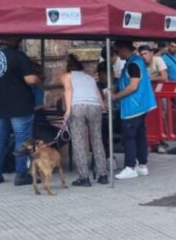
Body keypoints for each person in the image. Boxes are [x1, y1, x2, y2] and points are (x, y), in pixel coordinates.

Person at [0, 37, 39, 186]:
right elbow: (30, 79)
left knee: (0, 138)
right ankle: (21, 175)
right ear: (15, 40)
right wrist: (39, 80)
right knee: (22, 138)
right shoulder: (18, 55)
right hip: (19, 103)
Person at [112, 40, 157, 180]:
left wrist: (116, 97)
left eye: (118, 51)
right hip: (141, 105)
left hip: (133, 106)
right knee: (140, 135)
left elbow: (133, 86)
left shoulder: (133, 64)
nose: (117, 55)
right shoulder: (136, 61)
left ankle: (130, 166)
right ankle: (142, 165)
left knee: (129, 137)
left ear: (124, 49)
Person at [61, 54, 108, 186]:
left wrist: (68, 109)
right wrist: (102, 106)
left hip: (78, 106)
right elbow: (98, 94)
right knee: (97, 140)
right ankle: (103, 175)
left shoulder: (67, 76)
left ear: (68, 68)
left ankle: (84, 178)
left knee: (78, 141)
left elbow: (68, 90)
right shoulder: (89, 77)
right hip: (95, 107)